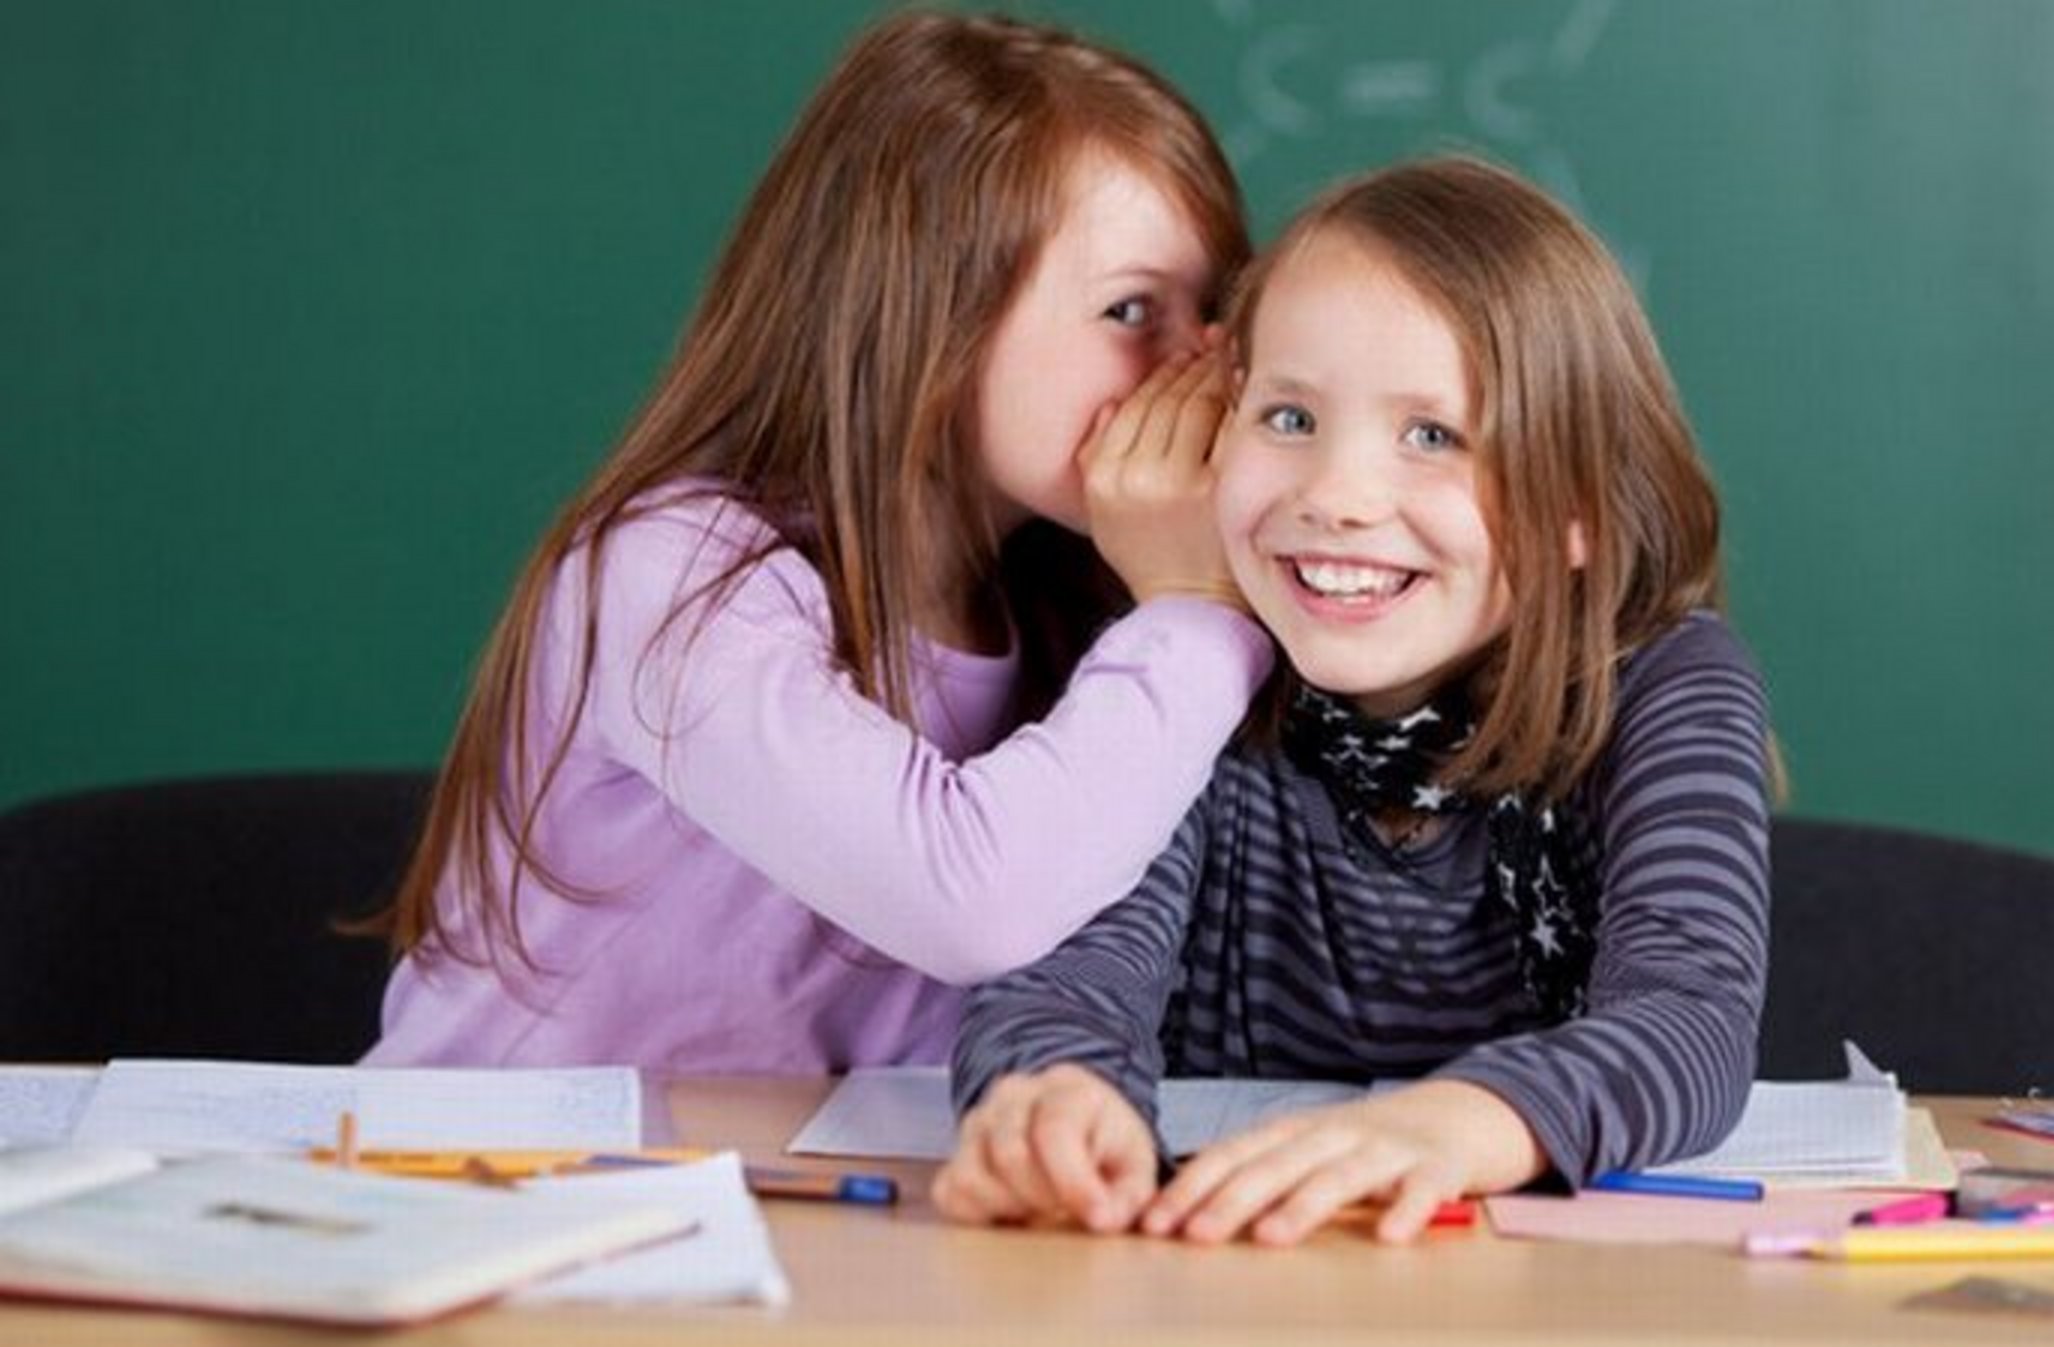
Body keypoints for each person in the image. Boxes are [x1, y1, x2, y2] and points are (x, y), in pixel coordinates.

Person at [362, 12, 1273, 1072]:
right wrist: (1196, 613)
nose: (1197, 372)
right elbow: (969, 904)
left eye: (1210, 315)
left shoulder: (1079, 610)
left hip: (823, 1199)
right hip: (507, 1198)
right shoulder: (673, 573)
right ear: (928, 313)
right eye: (1130, 311)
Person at [935, 156, 1773, 1246]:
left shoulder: (1664, 683)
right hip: (1219, 1278)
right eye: (1288, 418)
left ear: (1578, 510)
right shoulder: (1184, 670)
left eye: (1434, 436)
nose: (1335, 497)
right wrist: (1057, 1102)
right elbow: (1068, 979)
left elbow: (1689, 1022)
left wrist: (1450, 1130)